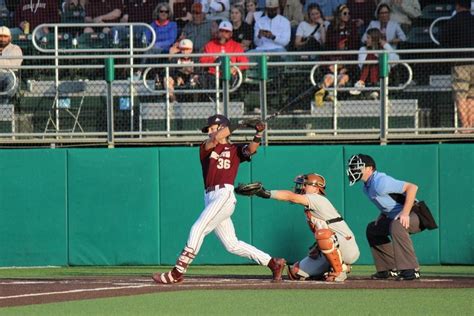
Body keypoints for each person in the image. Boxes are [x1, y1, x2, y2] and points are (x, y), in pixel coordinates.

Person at [152, 115, 286, 284]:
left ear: (221, 127)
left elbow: (251, 149)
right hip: (210, 197)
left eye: (211, 128)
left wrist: (258, 133)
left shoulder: (235, 149)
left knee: (198, 227)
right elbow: (216, 138)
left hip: (224, 195)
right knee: (232, 244)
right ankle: (273, 263)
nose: (208, 132)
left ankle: (177, 272)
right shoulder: (206, 147)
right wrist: (243, 123)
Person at [238, 173, 360, 282]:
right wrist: (318, 246)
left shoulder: (318, 198)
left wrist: (266, 193)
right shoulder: (311, 204)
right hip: (335, 243)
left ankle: (339, 272)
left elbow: (291, 196)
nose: (301, 187)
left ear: (316, 188)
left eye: (305, 185)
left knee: (323, 235)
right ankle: (340, 266)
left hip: (347, 246)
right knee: (294, 272)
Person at [346, 154, 425, 281]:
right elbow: (389, 201)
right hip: (398, 215)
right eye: (353, 167)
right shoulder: (366, 187)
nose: (353, 170)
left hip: (416, 214)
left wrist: (405, 213)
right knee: (373, 229)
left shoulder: (380, 182)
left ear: (369, 168)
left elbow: (412, 187)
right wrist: (383, 214)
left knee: (397, 225)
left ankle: (411, 269)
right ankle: (388, 268)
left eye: (357, 167)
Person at [439, 0, 474, 133]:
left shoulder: (451, 22)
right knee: (472, 95)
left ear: (457, 5)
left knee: (461, 94)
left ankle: (465, 126)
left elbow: (443, 42)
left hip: (460, 63)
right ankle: (472, 125)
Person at [314, 4, 359, 107]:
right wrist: (330, 64)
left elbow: (355, 48)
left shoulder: (352, 27)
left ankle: (332, 94)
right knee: (328, 77)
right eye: (344, 13)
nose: (347, 15)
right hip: (333, 60)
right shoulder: (332, 28)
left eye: (349, 13)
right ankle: (321, 93)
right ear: (339, 15)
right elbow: (328, 47)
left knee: (342, 78)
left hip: (347, 62)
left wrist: (345, 67)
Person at [350, 28, 399, 99]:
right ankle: (372, 88)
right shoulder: (363, 49)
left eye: (368, 38)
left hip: (383, 74)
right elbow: (361, 65)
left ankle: (361, 83)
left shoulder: (383, 50)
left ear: (374, 38)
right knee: (371, 59)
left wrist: (386, 45)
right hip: (367, 75)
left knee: (375, 58)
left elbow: (395, 60)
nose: (366, 40)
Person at [200, 20, 249, 88]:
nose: (223, 33)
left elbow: (245, 63)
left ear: (231, 34)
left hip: (230, 75)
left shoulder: (236, 46)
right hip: (213, 75)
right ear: (218, 32)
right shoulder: (210, 45)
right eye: (221, 31)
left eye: (226, 32)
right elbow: (202, 61)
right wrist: (214, 59)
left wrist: (235, 68)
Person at [0, 26, 23, 100]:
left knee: (11, 80)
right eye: (0, 36)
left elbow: (14, 64)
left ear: (10, 38)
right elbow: (8, 63)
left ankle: (3, 106)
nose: (2, 39)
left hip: (7, 75)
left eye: (5, 36)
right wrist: (6, 61)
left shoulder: (15, 48)